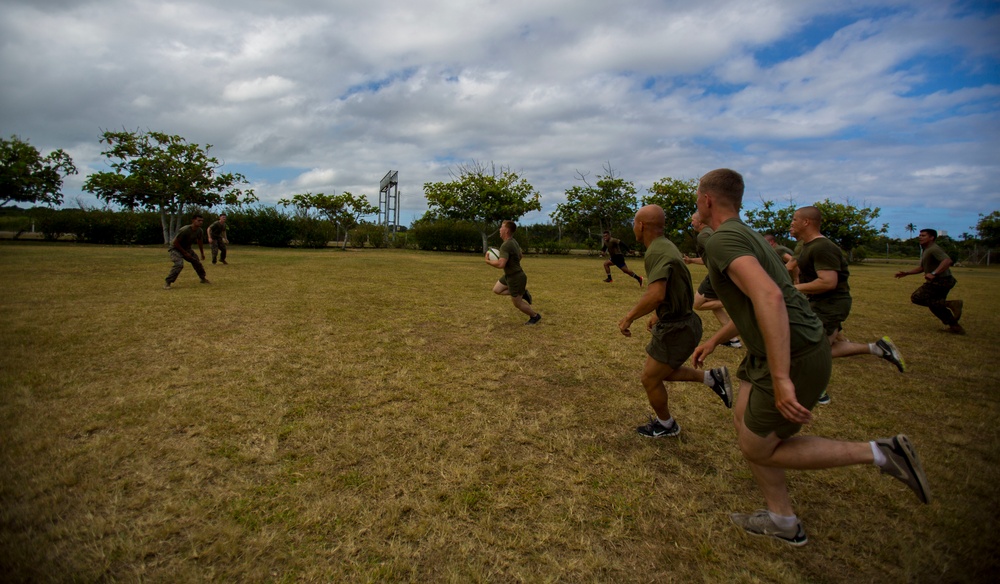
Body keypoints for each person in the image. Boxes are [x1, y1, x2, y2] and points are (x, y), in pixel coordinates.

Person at [691, 169, 930, 547]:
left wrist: (783, 376)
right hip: (775, 349)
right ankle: (783, 520)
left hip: (793, 352)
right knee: (743, 421)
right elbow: (758, 301)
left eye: (696, 197)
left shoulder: (723, 240)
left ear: (707, 200)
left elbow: (770, 298)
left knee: (758, 446)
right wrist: (717, 338)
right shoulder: (747, 234)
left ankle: (882, 453)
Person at [618, 204, 734, 438]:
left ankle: (667, 425)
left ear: (640, 225)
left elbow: (656, 294)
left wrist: (628, 318)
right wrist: (658, 314)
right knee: (661, 372)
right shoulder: (664, 245)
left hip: (677, 327)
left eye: (634, 224)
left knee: (650, 379)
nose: (633, 228)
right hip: (679, 321)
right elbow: (672, 289)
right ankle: (711, 378)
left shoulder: (657, 252)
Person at [789, 206, 906, 406]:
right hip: (820, 303)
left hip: (830, 305)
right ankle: (876, 348)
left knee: (812, 350)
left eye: (794, 219)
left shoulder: (822, 247)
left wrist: (792, 289)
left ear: (806, 222)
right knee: (822, 347)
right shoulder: (808, 246)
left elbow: (828, 282)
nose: (791, 223)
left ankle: (818, 391)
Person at [683, 212, 742, 349]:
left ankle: (733, 302)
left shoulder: (704, 235)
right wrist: (691, 260)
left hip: (718, 276)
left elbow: (719, 250)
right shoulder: (711, 232)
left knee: (697, 304)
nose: (691, 223)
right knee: (712, 304)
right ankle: (733, 339)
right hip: (721, 274)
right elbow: (708, 259)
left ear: (700, 222)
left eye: (693, 220)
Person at [895, 229, 964, 334]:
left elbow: (947, 261)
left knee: (917, 297)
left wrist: (934, 273)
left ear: (932, 237)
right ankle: (955, 327)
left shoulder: (934, 249)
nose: (920, 237)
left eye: (923, 235)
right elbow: (922, 268)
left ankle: (951, 304)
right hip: (944, 280)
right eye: (920, 235)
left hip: (941, 281)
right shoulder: (926, 249)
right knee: (935, 305)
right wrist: (907, 273)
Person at [487, 220, 540, 325]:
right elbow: (520, 256)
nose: (500, 229)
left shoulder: (505, 245)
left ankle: (535, 316)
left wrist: (488, 261)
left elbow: (501, 264)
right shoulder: (513, 241)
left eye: (501, 227)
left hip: (516, 277)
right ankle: (522, 292)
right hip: (510, 275)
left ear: (506, 230)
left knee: (518, 303)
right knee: (497, 290)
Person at [164, 214, 210, 289]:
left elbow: (200, 242)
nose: (201, 222)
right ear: (193, 220)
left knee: (197, 262)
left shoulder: (199, 231)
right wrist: (185, 253)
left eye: (202, 221)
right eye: (199, 220)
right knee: (179, 264)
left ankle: (203, 278)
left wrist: (202, 253)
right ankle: (168, 282)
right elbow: (175, 242)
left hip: (187, 248)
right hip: (175, 249)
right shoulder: (185, 230)